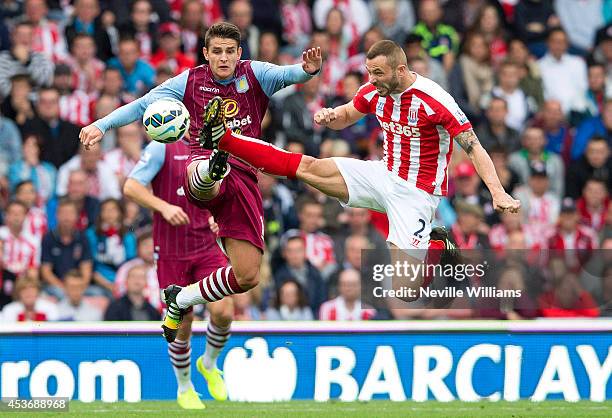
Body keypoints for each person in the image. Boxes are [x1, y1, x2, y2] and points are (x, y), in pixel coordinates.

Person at [195, 39, 519, 304]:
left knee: (405, 291)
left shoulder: (435, 100)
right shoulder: (374, 89)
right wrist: (331, 115)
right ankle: (224, 138)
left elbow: (473, 145)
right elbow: (350, 113)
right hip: (382, 175)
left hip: (417, 193)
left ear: (401, 70)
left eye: (378, 73)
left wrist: (497, 191)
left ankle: (437, 245)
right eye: (369, 72)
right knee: (308, 168)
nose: (372, 79)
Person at [79, 22, 322, 339]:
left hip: (246, 178)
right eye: (217, 52)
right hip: (201, 168)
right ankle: (214, 160)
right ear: (206, 53)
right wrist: (102, 125)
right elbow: (141, 106)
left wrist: (308, 70)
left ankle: (180, 300)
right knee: (203, 175)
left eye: (230, 52)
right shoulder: (189, 81)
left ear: (239, 53)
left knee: (248, 277)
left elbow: (291, 74)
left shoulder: (256, 74)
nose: (223, 58)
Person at [123, 138, 233, 409]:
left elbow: (226, 190)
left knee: (224, 311)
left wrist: (218, 216)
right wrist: (164, 206)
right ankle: (184, 386)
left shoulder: (214, 144)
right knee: (182, 323)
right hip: (171, 251)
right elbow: (131, 186)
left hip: (207, 246)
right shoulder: (162, 146)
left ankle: (208, 363)